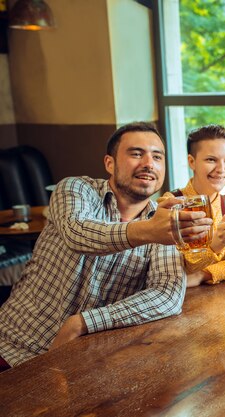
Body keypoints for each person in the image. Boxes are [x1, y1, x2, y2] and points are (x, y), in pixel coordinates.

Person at [0, 122, 212, 370]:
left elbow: (166, 295)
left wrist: (82, 323)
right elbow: (77, 233)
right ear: (109, 163)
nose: (148, 163)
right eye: (136, 153)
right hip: (13, 346)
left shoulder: (163, 220)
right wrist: (148, 231)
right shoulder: (76, 189)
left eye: (157, 156)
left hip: (80, 363)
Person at [161, 124, 225, 285]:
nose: (221, 169)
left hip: (221, 298)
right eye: (211, 160)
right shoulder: (170, 204)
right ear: (191, 161)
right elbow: (177, 270)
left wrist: (204, 275)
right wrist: (215, 245)